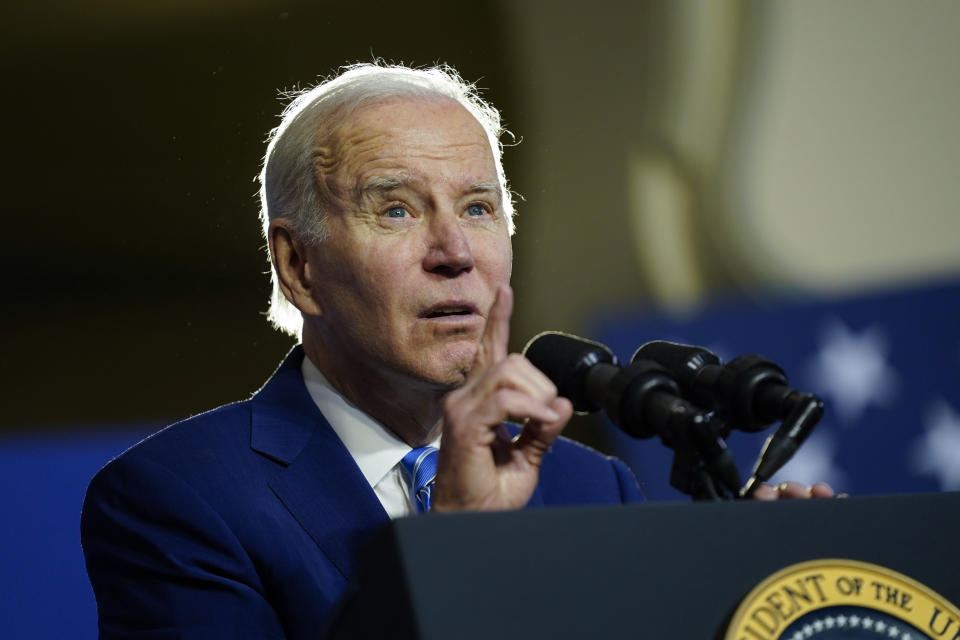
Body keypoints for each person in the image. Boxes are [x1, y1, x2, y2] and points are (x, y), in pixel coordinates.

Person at [81, 62, 831, 640]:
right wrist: (456, 551)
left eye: (478, 208)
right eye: (398, 209)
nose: (454, 252)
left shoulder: (594, 488)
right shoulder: (179, 500)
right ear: (298, 267)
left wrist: (749, 604)